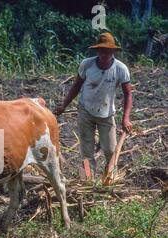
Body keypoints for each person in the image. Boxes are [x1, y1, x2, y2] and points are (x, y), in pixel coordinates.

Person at [54, 32, 133, 176]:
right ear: (97, 50)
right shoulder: (87, 64)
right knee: (86, 150)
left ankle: (109, 178)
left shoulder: (121, 69)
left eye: (108, 50)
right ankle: (87, 179)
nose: (104, 53)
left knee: (110, 149)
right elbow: (76, 86)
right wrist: (63, 105)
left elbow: (128, 94)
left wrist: (126, 118)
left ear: (113, 51)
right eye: (102, 50)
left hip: (107, 114)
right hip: (86, 111)